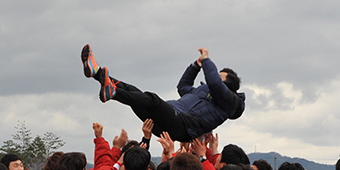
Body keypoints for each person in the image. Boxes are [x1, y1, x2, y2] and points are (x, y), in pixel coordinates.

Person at [81, 45, 245, 142]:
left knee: (152, 99)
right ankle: (96, 73)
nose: (214, 75)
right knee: (134, 93)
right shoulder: (202, 91)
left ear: (228, 82)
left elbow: (215, 82)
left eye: (219, 75)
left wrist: (207, 60)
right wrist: (196, 66)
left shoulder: (231, 101)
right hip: (166, 120)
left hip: (182, 126)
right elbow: (183, 87)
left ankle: (114, 93)